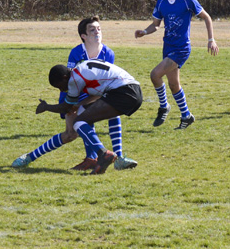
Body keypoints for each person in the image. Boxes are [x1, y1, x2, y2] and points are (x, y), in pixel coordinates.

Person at [12, 60, 143, 174]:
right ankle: (118, 159)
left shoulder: (74, 80)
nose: (61, 90)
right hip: (132, 90)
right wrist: (78, 105)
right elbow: (97, 93)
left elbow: (66, 107)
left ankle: (103, 154)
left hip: (123, 92)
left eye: (59, 86)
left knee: (79, 122)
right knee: (84, 123)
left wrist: (46, 107)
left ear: (65, 77)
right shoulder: (81, 68)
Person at [135, 0, 219, 129]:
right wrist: (144, 32)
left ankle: (164, 106)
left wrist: (211, 40)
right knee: (174, 85)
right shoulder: (161, 2)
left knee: (155, 74)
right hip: (168, 47)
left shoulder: (187, 0)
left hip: (181, 48)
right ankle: (186, 116)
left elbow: (207, 17)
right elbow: (156, 25)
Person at [60, 16, 137, 171]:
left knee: (114, 112)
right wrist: (65, 105)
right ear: (84, 36)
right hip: (80, 95)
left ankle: (118, 157)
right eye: (92, 30)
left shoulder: (108, 53)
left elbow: (108, 81)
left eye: (99, 29)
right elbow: (68, 82)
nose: (97, 32)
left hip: (99, 93)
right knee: (81, 119)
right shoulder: (76, 53)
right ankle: (92, 157)